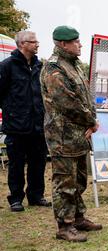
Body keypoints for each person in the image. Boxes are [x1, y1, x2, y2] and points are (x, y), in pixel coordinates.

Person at [40, 26, 102, 242]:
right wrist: (92, 121)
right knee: (65, 183)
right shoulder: (54, 69)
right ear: (63, 44)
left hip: (80, 136)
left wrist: (92, 121)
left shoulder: (74, 65)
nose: (80, 44)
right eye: (75, 41)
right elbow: (68, 104)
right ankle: (64, 226)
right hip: (63, 138)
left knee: (79, 181)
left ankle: (77, 217)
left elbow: (86, 97)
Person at [0, 30, 51, 212]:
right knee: (16, 164)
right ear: (22, 44)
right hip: (16, 126)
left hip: (38, 125)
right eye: (33, 41)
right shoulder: (6, 66)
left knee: (38, 162)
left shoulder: (41, 67)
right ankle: (15, 198)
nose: (37, 44)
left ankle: (36, 196)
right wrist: (11, 112)